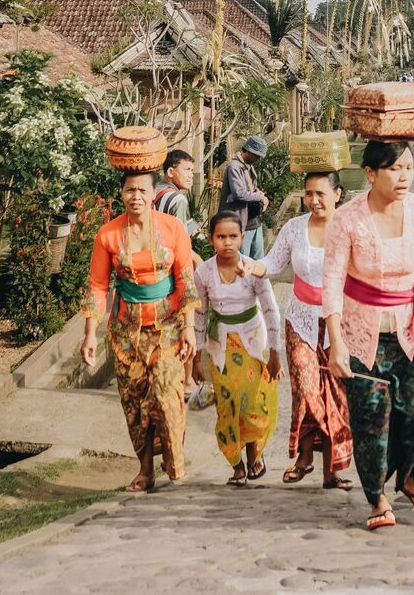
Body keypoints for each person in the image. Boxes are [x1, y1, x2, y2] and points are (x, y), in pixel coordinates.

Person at [323, 140, 414, 531]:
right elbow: (331, 282)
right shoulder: (347, 219)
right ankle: (377, 499)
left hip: (412, 332)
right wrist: (336, 342)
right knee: (370, 421)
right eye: (394, 169)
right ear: (370, 173)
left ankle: (413, 477)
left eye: (408, 168)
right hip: (360, 335)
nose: (403, 177)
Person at [81, 169, 198, 493]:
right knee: (134, 403)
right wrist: (90, 334)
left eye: (143, 190)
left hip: (169, 327)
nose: (137, 196)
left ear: (153, 193)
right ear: (122, 193)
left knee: (165, 394)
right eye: (130, 190)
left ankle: (175, 462)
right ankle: (145, 470)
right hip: (125, 331)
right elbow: (97, 286)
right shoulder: (108, 235)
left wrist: (189, 328)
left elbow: (185, 279)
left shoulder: (173, 229)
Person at [248, 171, 355, 489]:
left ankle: (330, 469)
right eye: (308, 193)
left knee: (335, 395)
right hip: (300, 321)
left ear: (337, 194)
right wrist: (249, 264)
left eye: (321, 193)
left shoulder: (350, 229)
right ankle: (305, 457)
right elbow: (272, 263)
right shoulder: (295, 228)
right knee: (307, 391)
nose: (314, 200)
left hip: (341, 325)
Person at [192, 211, 283, 484]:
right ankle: (237, 465)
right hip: (220, 347)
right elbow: (200, 314)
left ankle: (255, 452)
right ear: (211, 240)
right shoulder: (203, 272)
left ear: (243, 237)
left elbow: (270, 309)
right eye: (221, 237)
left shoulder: (253, 269)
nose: (227, 242)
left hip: (252, 344)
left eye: (233, 236)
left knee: (253, 404)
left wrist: (276, 353)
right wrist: (196, 357)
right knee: (228, 406)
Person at [221, 137, 272, 259]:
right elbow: (239, 193)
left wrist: (257, 192)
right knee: (242, 261)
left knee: (258, 261)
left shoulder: (248, 166)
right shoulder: (234, 167)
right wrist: (259, 197)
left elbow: (250, 189)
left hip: (254, 221)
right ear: (248, 151)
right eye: (257, 155)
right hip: (241, 223)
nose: (258, 159)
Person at [155, 149, 196, 236]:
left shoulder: (153, 189)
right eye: (187, 169)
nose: (191, 175)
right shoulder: (178, 199)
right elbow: (179, 237)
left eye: (192, 170)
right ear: (170, 172)